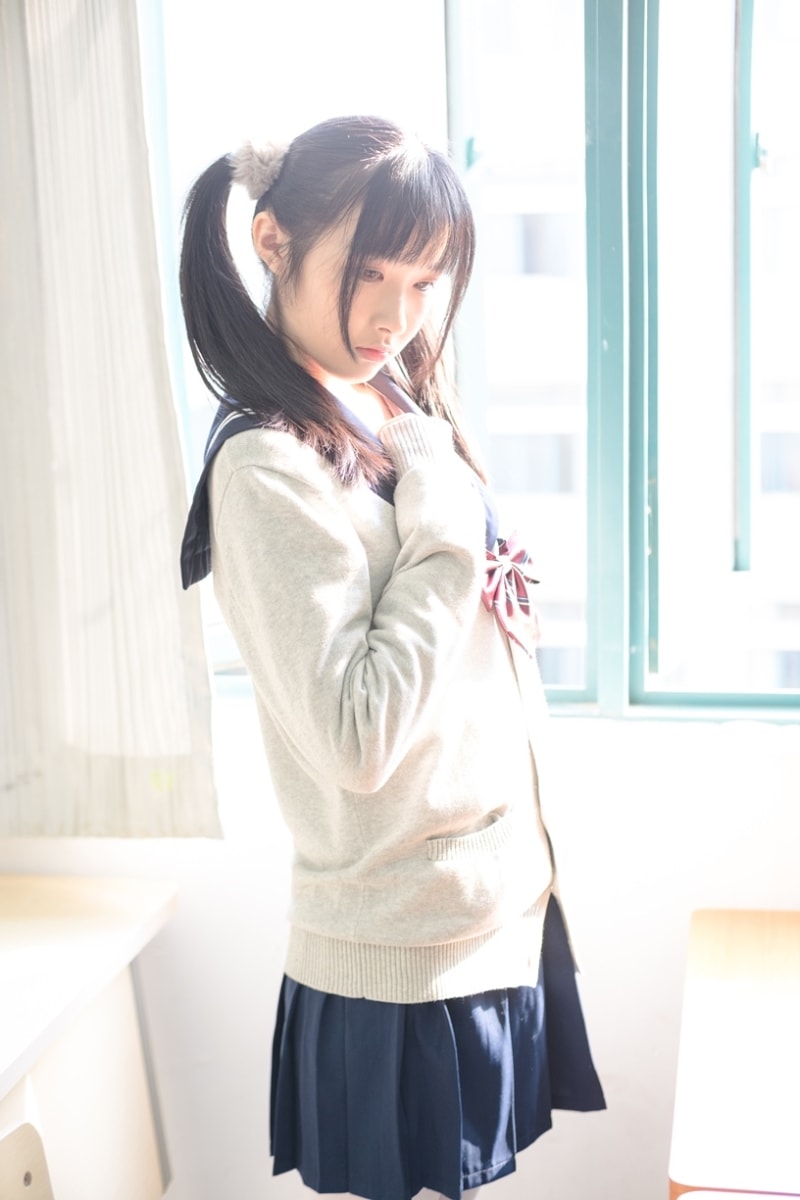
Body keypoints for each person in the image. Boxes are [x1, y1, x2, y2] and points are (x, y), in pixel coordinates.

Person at [179, 114, 604, 1200]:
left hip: (484, 911)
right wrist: (449, 523)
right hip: (398, 959)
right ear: (272, 242)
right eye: (369, 272)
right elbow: (356, 736)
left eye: (422, 280)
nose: (396, 314)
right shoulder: (268, 467)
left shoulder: (390, 401)